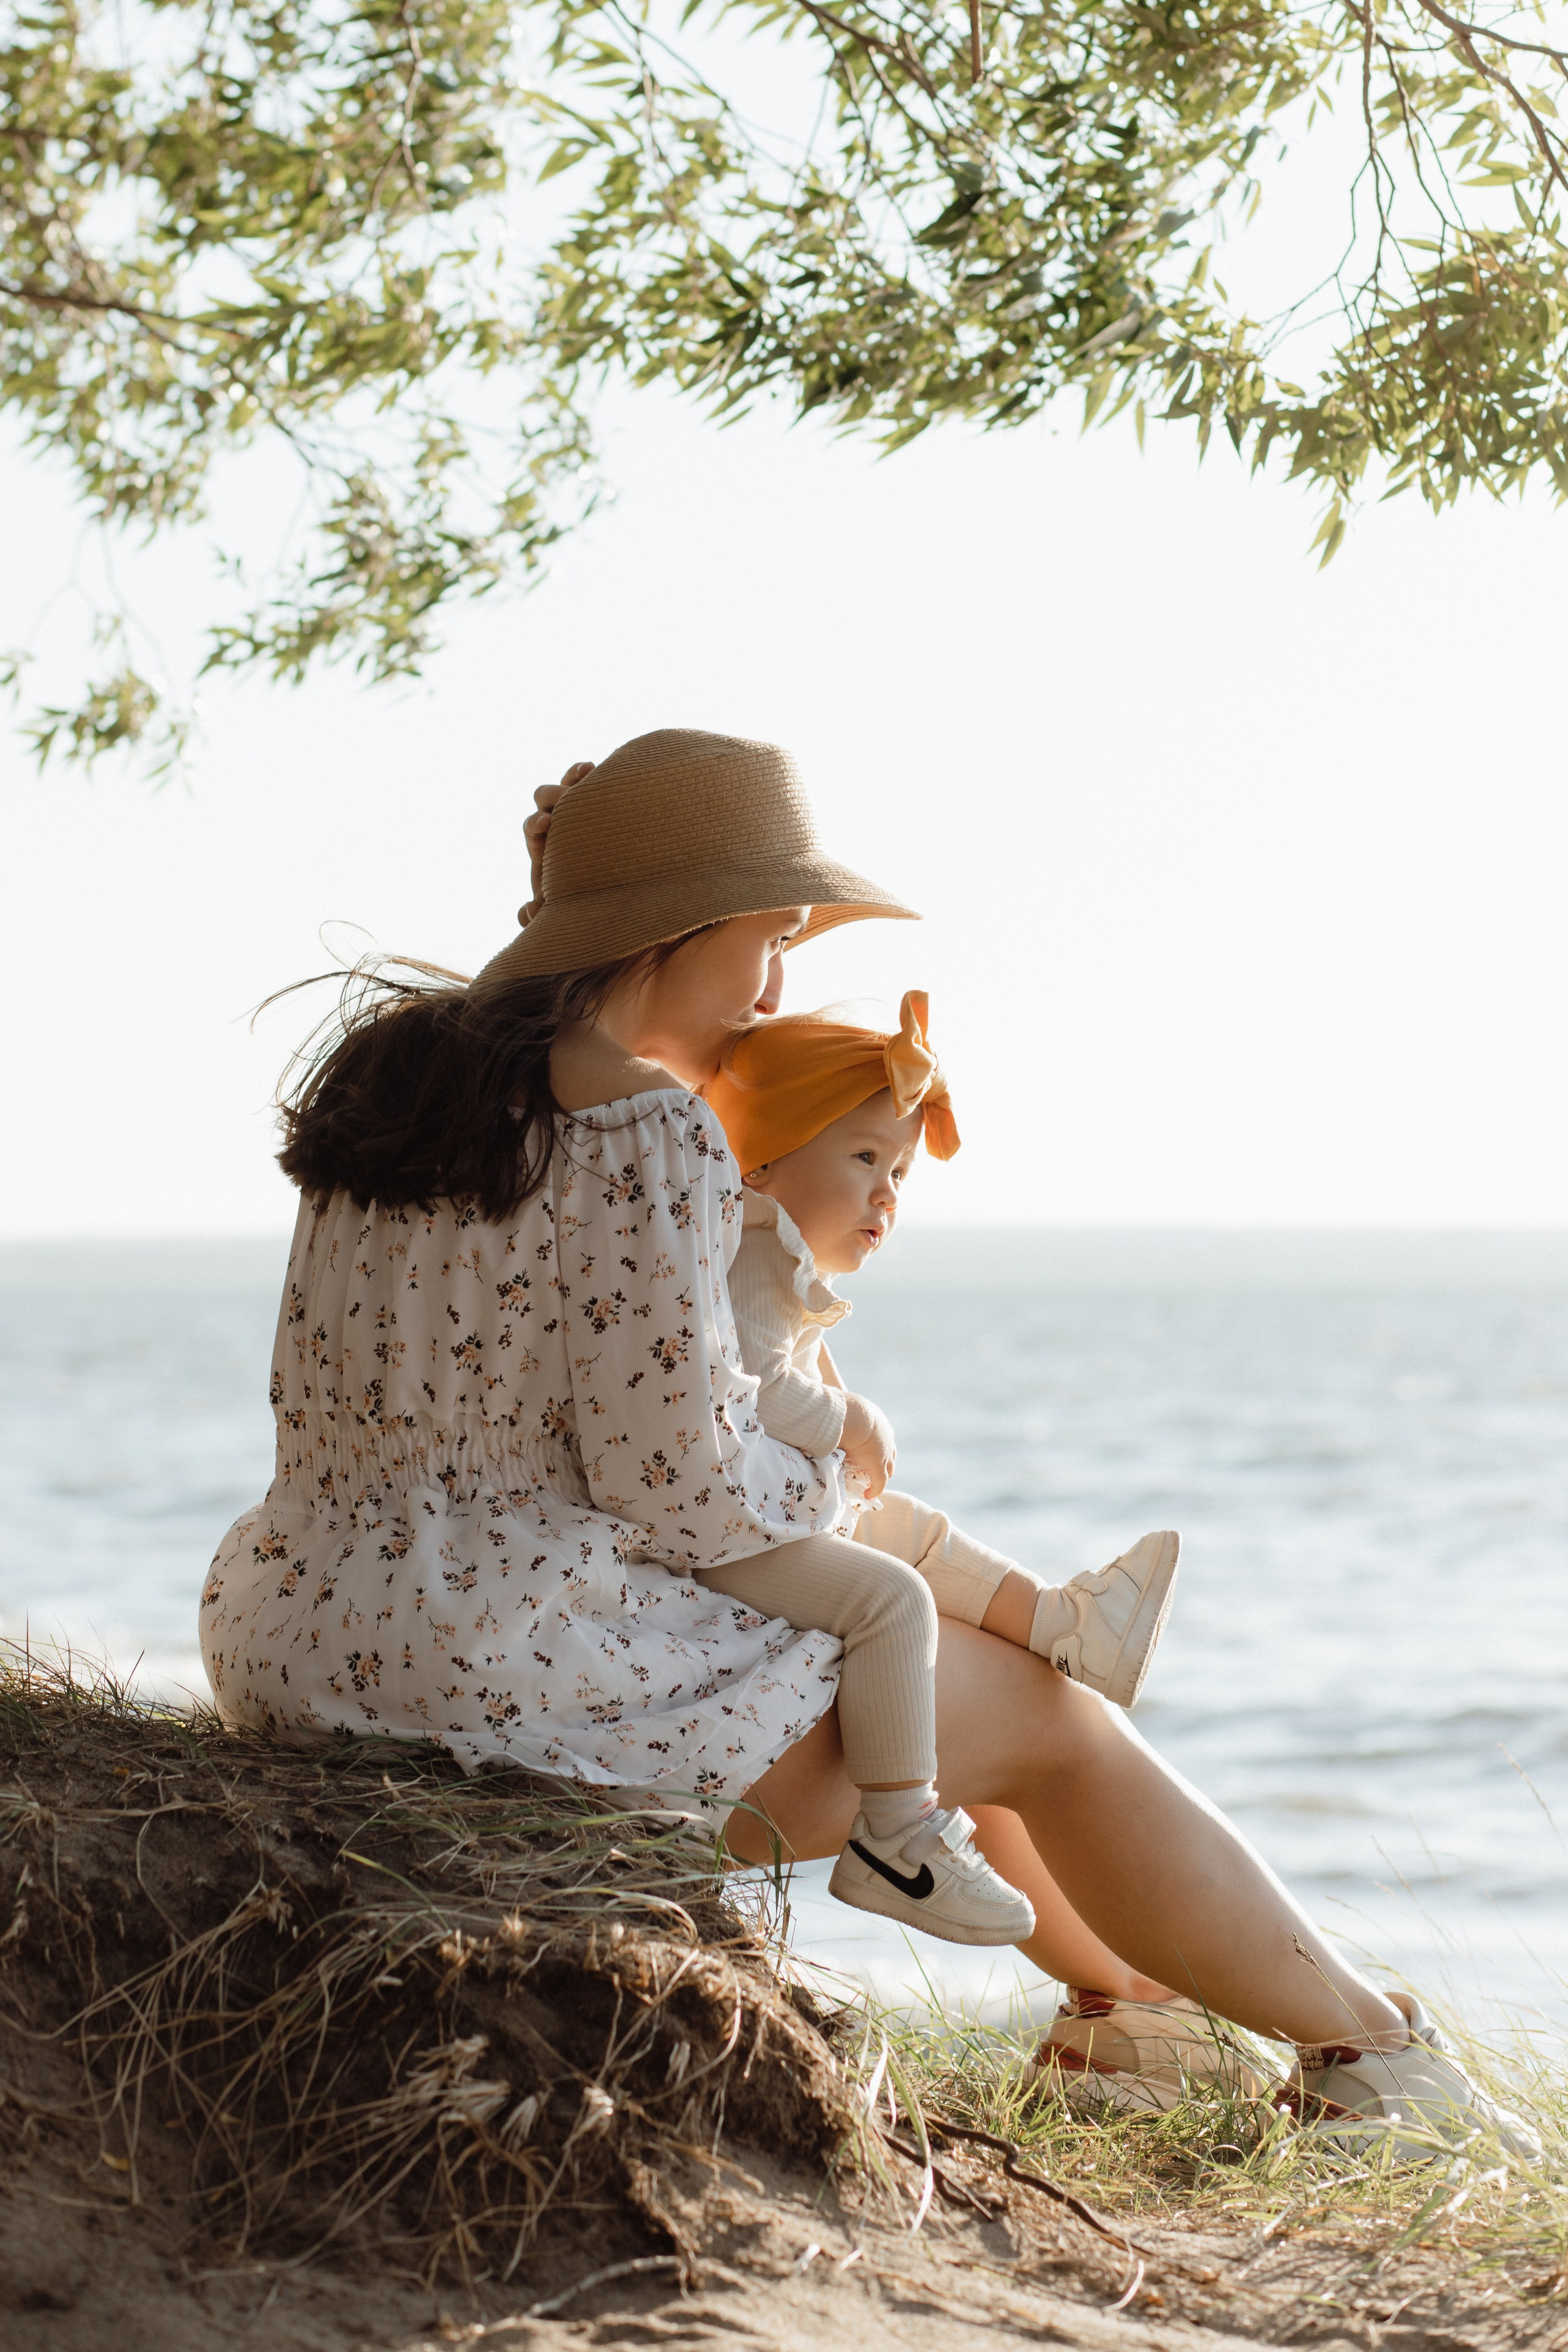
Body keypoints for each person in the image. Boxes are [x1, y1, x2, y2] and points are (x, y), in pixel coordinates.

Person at [202, 726, 1531, 2152]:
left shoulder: (391, 1082)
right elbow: (681, 1491)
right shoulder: (648, 1127)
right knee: (1053, 1719)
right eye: (768, 939)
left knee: (973, 1686)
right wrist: (845, 1468)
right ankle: (1380, 2066)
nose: (771, 986)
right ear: (680, 927)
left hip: (310, 1634)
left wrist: (564, 900)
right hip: (515, 1676)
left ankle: (1127, 2013)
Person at [704, 990, 1180, 1717]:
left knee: (917, 1528)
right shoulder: (758, 1250)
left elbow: (802, 1357)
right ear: (763, 1159)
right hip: (740, 1530)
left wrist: (844, 1423)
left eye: (898, 1175)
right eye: (865, 1157)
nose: (885, 1195)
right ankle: (906, 1801)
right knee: (902, 1572)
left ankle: (1065, 1624)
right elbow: (762, 1387)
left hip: (768, 1507)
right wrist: (856, 1422)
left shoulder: (780, 1256)